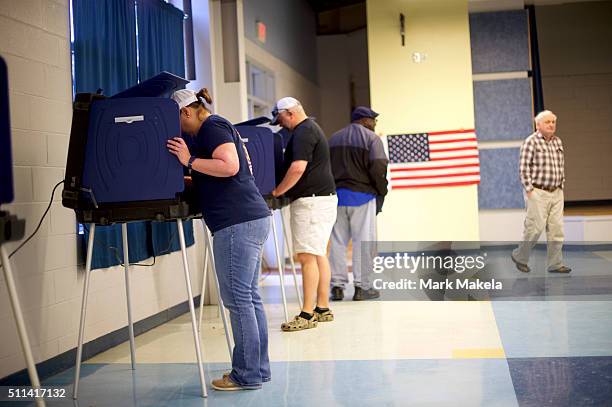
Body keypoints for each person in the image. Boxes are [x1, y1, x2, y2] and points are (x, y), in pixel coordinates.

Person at [167, 88, 272, 391]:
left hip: (236, 223)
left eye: (178, 121)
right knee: (249, 298)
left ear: (186, 112)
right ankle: (258, 370)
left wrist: (188, 161)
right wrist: (193, 171)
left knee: (238, 301)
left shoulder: (211, 126)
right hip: (251, 218)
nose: (180, 130)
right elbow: (221, 169)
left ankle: (246, 374)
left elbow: (229, 166)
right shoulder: (219, 127)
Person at [270, 97, 338, 332]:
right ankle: (322, 308)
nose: (281, 124)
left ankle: (306, 314)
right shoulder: (312, 128)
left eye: (280, 118)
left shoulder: (303, 131)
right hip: (322, 199)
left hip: (311, 203)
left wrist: (278, 191)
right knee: (319, 255)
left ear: (289, 113)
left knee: (307, 257)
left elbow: (298, 167)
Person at [328, 106, 388, 301]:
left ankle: (337, 286)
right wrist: (381, 190)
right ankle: (362, 288)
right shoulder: (372, 139)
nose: (375, 124)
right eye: (373, 120)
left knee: (337, 242)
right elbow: (379, 167)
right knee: (363, 242)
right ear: (364, 120)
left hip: (337, 197)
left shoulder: (333, 139)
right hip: (362, 197)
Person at [511, 110, 572, 274]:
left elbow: (560, 165)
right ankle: (520, 256)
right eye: (548, 122)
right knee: (535, 227)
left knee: (557, 229)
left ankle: (555, 264)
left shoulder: (558, 141)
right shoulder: (531, 142)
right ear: (538, 125)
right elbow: (523, 168)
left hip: (557, 192)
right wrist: (529, 190)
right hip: (537, 191)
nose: (551, 125)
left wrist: (561, 185)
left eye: (553, 122)